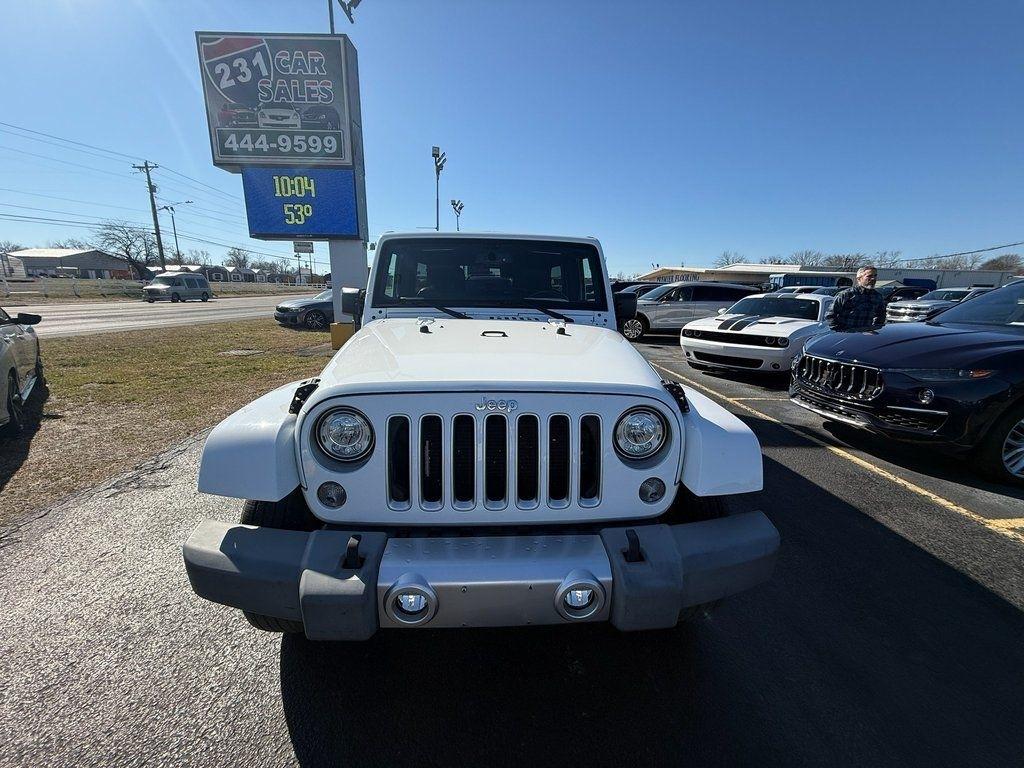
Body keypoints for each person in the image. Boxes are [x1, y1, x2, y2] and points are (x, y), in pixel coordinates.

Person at [826, 266, 886, 332]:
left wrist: (874, 329)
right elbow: (830, 315)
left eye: (875, 276)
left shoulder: (877, 296)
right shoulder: (846, 295)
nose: (873, 278)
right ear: (859, 279)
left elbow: (881, 316)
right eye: (869, 276)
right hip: (845, 336)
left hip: (865, 337)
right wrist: (838, 331)